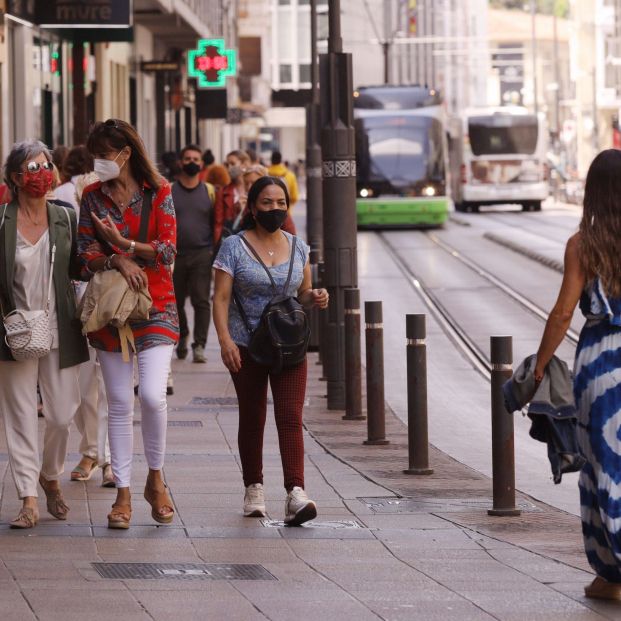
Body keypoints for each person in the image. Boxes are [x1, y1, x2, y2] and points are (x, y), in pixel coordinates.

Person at [78, 119, 179, 529]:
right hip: (109, 309)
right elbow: (84, 254)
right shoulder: (91, 196)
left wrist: (124, 245)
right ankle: (122, 492)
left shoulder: (160, 194)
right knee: (118, 402)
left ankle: (155, 479)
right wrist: (115, 259)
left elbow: (169, 252)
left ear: (126, 153)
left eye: (104, 156)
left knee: (153, 396)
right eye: (94, 157)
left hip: (156, 305)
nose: (99, 164)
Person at [212, 176, 329, 525]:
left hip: (290, 345)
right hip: (246, 344)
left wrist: (315, 297)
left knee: (290, 418)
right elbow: (220, 298)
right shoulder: (234, 246)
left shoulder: (298, 246)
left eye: (280, 203)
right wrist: (224, 341)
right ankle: (254, 488)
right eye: (267, 203)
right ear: (252, 207)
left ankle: (296, 493)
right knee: (252, 418)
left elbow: (302, 293)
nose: (274, 209)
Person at [533, 149, 621, 601]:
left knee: (601, 465)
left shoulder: (582, 245)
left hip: (602, 363)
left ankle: (612, 570)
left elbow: (563, 312)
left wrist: (542, 364)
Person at [0, 140, 89, 529]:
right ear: (16, 177)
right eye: (33, 168)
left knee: (61, 412)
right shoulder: (2, 221)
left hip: (59, 326)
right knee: (20, 414)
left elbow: (79, 268)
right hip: (15, 329)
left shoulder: (64, 216)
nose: (42, 174)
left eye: (46, 165)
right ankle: (28, 498)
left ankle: (49, 474)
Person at [55, 145, 114, 486]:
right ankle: (98, 454)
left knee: (88, 379)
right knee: (104, 378)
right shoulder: (67, 195)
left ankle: (97, 453)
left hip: (83, 293)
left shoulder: (65, 193)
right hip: (101, 292)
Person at [171, 144, 216, 363]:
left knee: (201, 301)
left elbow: (216, 223)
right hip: (174, 256)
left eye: (195, 159)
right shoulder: (169, 190)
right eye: (187, 158)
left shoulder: (209, 191)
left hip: (201, 254)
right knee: (175, 302)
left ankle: (199, 345)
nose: (191, 162)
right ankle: (182, 335)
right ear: (180, 162)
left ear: (202, 163)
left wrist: (214, 253)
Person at [213, 150, 250, 249]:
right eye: (227, 164)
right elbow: (218, 222)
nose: (229, 168)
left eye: (233, 163)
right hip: (231, 242)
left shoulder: (253, 189)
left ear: (244, 165)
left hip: (251, 243)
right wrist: (217, 246)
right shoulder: (223, 192)